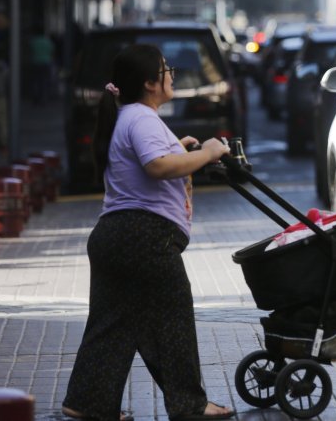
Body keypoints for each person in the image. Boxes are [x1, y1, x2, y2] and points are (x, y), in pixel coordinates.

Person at [62, 44, 234, 421]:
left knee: (111, 324)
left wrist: (182, 147)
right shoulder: (141, 118)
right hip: (145, 238)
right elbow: (157, 165)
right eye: (165, 69)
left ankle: (87, 403)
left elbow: (157, 157)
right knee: (173, 321)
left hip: (114, 237)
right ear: (150, 83)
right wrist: (206, 152)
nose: (171, 74)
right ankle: (191, 405)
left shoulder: (131, 116)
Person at [27, 25, 56, 105]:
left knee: (35, 81)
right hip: (46, 62)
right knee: (44, 81)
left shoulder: (33, 41)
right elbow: (52, 51)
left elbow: (30, 51)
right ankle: (44, 99)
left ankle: (35, 98)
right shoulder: (47, 41)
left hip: (35, 62)